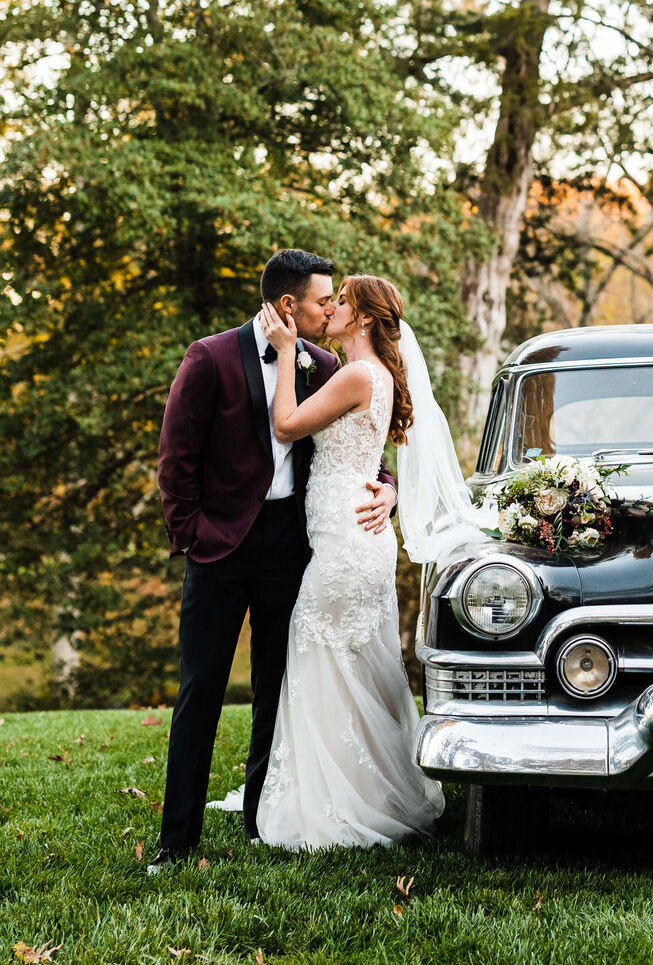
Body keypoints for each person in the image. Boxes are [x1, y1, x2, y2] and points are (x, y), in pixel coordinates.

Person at [151, 250, 398, 870]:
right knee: (200, 690)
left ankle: (264, 819)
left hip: (294, 547)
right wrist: (194, 537)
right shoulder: (208, 358)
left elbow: (360, 439)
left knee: (275, 688)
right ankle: (175, 842)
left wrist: (387, 488)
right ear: (289, 305)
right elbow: (175, 461)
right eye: (321, 301)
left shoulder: (323, 362)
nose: (327, 309)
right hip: (219, 549)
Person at [255, 274, 477, 850]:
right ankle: (367, 791)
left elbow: (285, 425)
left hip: (348, 543)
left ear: (365, 320)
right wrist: (392, 490)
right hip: (355, 535)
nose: (330, 308)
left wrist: (283, 355)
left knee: (319, 655)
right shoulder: (371, 376)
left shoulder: (357, 373)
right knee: (352, 668)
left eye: (342, 302)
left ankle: (332, 805)